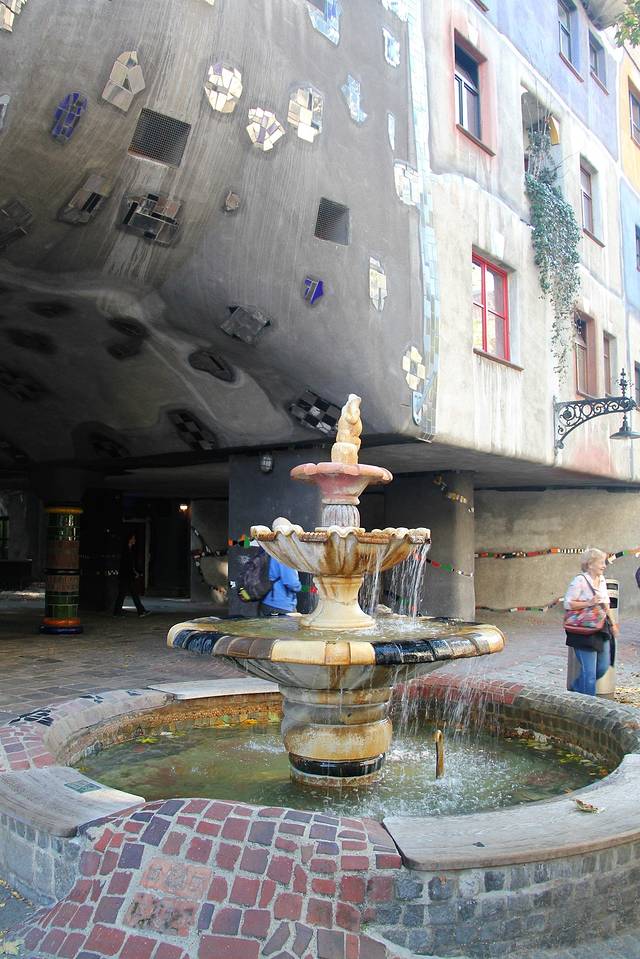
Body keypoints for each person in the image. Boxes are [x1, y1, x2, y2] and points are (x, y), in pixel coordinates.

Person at [564, 547, 617, 696]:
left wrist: (613, 623)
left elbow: (605, 603)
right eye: (601, 562)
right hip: (583, 631)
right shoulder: (579, 581)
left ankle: (576, 686)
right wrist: (589, 603)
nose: (604, 566)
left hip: (601, 628)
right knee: (590, 675)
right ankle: (588, 705)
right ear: (590, 564)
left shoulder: (602, 580)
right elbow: (568, 604)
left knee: (603, 666)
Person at [113, 533, 150, 617]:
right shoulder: (126, 551)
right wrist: (134, 573)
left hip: (127, 576)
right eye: (133, 538)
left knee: (131, 594)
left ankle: (140, 611)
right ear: (129, 540)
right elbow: (127, 565)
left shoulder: (129, 550)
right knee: (124, 594)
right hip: (126, 576)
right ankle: (118, 612)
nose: (134, 540)